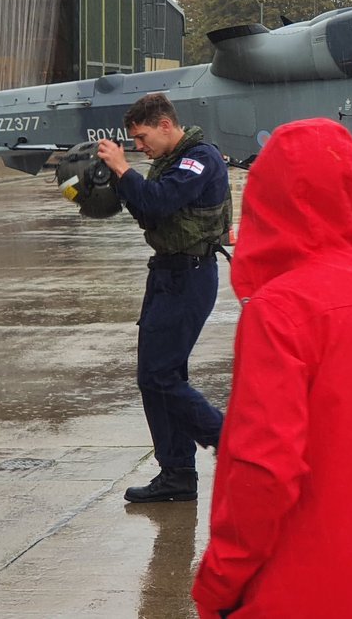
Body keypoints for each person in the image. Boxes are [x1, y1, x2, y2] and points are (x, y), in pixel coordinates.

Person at [192, 118, 352, 619]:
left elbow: (262, 471)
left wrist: (218, 582)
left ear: (266, 200)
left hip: (288, 591)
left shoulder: (277, 309)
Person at [96, 93, 230, 504]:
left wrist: (122, 169)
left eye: (141, 137)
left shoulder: (199, 159)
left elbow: (159, 201)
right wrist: (113, 182)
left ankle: (232, 443)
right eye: (134, 142)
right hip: (167, 275)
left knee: (161, 376)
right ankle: (176, 474)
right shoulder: (167, 163)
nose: (139, 147)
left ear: (166, 125)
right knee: (156, 379)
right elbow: (147, 211)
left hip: (190, 276)